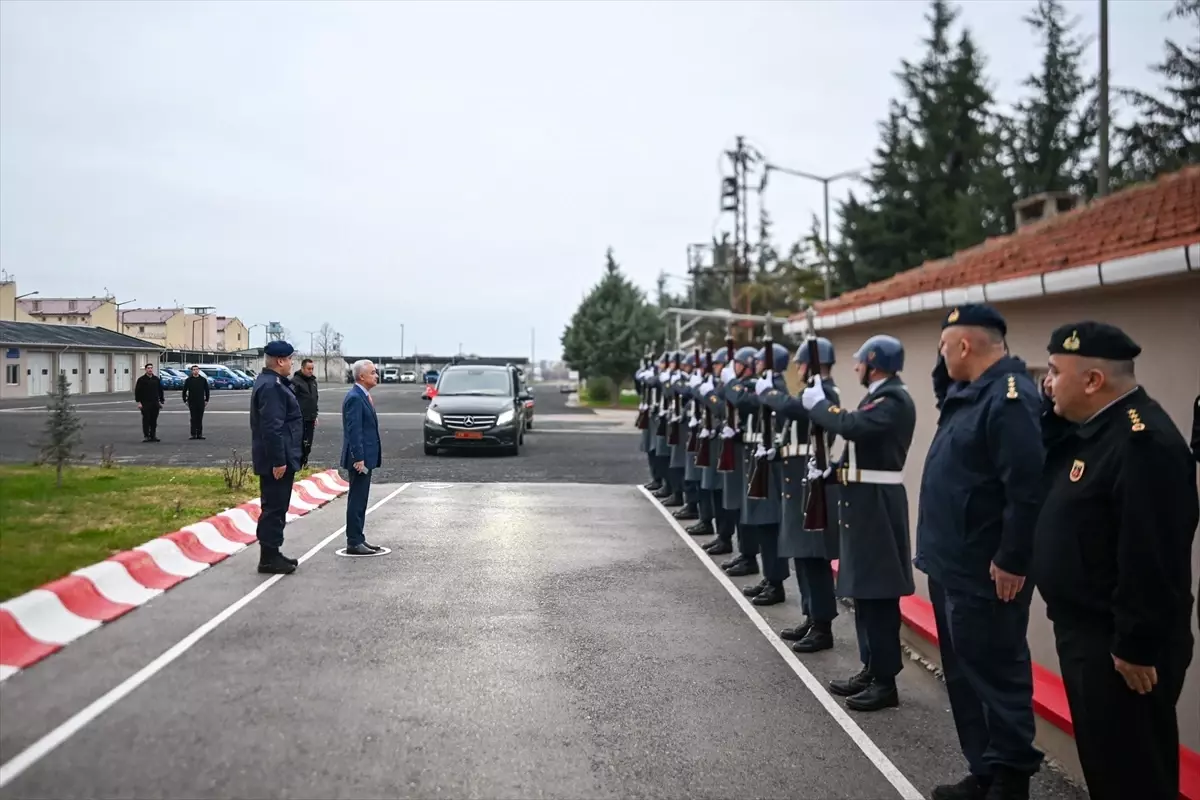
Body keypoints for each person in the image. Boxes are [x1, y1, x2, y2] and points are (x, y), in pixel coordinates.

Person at [1032, 321, 1197, 800]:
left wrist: (1135, 645)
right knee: (1107, 768)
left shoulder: (1142, 443)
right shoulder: (1092, 432)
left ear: (1092, 381)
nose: (1046, 382)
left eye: (1056, 372)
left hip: (1119, 648)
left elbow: (1153, 552)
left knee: (1134, 774)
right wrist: (1052, 412)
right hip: (1087, 634)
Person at [916, 304, 1045, 800]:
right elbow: (942, 377)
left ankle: (1010, 782)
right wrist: (945, 346)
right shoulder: (966, 394)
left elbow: (1026, 488)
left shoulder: (1008, 398)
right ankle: (984, 771)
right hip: (951, 563)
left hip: (986, 572)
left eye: (946, 346)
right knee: (965, 678)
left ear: (966, 346)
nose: (941, 355)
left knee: (998, 677)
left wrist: (1013, 559)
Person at [800, 334, 916, 713]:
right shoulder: (879, 397)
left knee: (879, 596)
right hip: (865, 504)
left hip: (878, 509)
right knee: (865, 594)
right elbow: (859, 449)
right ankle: (871, 668)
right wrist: (831, 474)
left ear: (874, 362)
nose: (855, 368)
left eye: (860, 362)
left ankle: (885, 681)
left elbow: (851, 427)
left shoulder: (894, 400)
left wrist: (819, 407)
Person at [760, 337, 840, 652]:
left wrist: (768, 392)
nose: (799, 369)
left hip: (812, 489)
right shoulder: (811, 395)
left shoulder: (825, 394)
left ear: (813, 364)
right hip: (797, 487)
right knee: (803, 557)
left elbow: (791, 408)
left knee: (814, 558)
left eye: (802, 364)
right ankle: (811, 616)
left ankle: (823, 626)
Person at [731, 341, 790, 606]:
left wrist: (735, 385)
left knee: (769, 525)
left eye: (758, 361)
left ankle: (776, 583)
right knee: (763, 525)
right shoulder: (764, 385)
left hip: (771, 466)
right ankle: (770, 578)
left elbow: (741, 400)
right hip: (760, 460)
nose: (754, 364)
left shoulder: (773, 388)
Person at [250, 340, 303, 575]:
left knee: (276, 506)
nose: (292, 363)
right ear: (280, 361)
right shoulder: (272, 387)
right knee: (274, 507)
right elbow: (272, 427)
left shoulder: (274, 383)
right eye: (290, 359)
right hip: (276, 459)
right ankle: (268, 558)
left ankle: (272, 552)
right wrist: (279, 461)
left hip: (279, 455)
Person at [716, 345, 762, 576]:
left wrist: (731, 382)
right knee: (742, 506)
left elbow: (739, 400)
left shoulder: (754, 386)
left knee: (749, 508)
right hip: (742, 452)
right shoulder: (740, 385)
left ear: (746, 367)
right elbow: (723, 399)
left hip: (751, 452)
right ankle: (745, 554)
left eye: (736, 364)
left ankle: (750, 557)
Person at [341, 359, 384, 555]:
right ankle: (354, 541)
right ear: (361, 376)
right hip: (360, 459)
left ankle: (359, 538)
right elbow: (354, 431)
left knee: (361, 499)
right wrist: (359, 458)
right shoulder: (355, 398)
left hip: (365, 457)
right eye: (373, 372)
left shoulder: (362, 396)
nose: (376, 375)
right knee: (357, 500)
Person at [292, 358, 320, 467]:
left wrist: (315, 414)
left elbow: (314, 399)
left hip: (310, 418)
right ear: (302, 368)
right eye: (308, 369)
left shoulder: (313, 382)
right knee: (299, 443)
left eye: (312, 369)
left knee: (308, 443)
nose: (311, 371)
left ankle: (304, 462)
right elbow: (291, 400)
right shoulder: (295, 382)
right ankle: (297, 464)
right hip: (299, 419)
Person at [134, 363, 165, 442]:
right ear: (146, 369)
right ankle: (146, 435)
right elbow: (138, 392)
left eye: (151, 368)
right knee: (146, 420)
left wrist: (161, 400)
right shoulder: (141, 379)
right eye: (148, 368)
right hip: (145, 403)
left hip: (155, 403)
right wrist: (139, 402)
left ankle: (153, 435)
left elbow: (160, 390)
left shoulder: (156, 379)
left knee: (153, 420)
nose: (150, 369)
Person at [181, 365, 210, 440]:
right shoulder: (189, 380)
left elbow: (207, 391)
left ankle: (199, 434)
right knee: (193, 418)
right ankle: (193, 434)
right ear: (192, 371)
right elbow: (184, 391)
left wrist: (206, 400)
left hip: (200, 402)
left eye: (197, 369)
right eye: (194, 370)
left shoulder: (203, 380)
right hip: (192, 402)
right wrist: (185, 400)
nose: (195, 371)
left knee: (199, 418)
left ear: (199, 370)